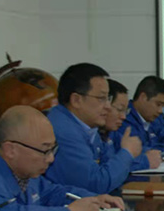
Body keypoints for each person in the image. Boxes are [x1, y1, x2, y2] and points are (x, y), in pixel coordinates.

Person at [0, 106, 124, 211]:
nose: (51, 159)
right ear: (11, 150)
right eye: (44, 150)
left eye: (53, 149)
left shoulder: (26, 170)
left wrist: (93, 199)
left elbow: (51, 192)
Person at [45, 63, 143, 194]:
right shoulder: (62, 130)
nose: (108, 106)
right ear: (76, 100)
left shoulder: (88, 126)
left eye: (108, 99)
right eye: (101, 98)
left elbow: (106, 167)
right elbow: (96, 183)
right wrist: (127, 153)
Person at [99, 79, 161, 171]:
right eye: (119, 110)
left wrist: (150, 152)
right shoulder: (92, 135)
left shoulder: (112, 133)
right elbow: (107, 168)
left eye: (125, 111)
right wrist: (145, 161)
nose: (123, 117)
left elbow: (135, 149)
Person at [120, 76, 164, 157]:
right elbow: (138, 152)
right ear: (143, 98)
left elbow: (154, 145)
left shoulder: (147, 119)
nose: (160, 111)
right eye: (158, 104)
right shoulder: (124, 119)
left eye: (163, 106)